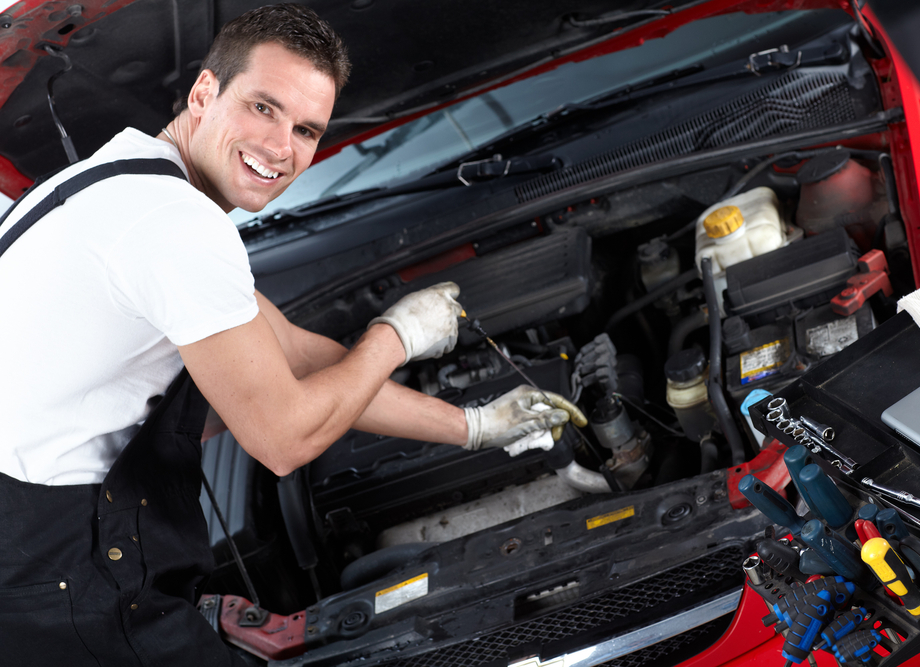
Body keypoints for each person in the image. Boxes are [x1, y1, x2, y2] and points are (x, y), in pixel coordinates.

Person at [0, 5, 584, 665]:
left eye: (306, 129)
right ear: (203, 93)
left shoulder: (118, 188)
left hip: (32, 549)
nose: (282, 148)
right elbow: (283, 440)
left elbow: (301, 355)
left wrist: (476, 426)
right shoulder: (176, 224)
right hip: (58, 575)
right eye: (263, 108)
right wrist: (396, 336)